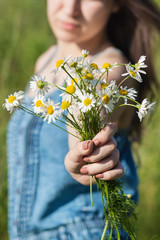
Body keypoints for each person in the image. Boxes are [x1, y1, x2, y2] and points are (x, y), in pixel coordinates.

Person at [7, 0, 160, 239]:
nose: (70, 8)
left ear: (116, 5)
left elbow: (90, 103)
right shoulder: (45, 62)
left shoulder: (113, 68)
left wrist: (82, 150)